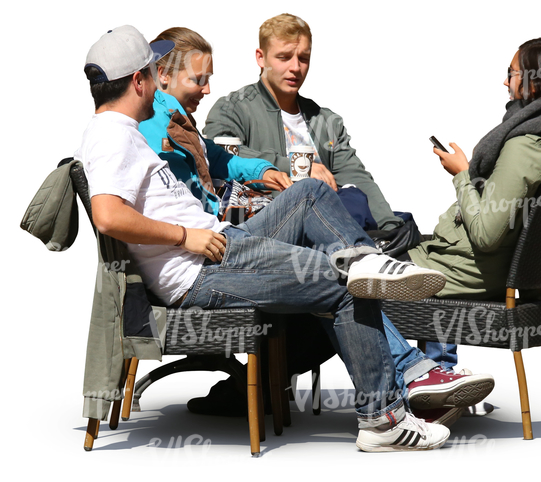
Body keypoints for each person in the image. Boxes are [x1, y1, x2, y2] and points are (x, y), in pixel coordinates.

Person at [76, 24, 456, 452]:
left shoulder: (126, 129)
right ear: (139, 80)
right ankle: (385, 420)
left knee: (308, 194)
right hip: (201, 269)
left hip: (223, 243)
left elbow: (211, 165)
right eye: (153, 71)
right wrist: (187, 236)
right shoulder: (112, 134)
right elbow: (108, 216)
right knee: (347, 285)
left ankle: (364, 257)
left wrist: (250, 181)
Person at [407, 36, 541, 400]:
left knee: (356, 280)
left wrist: (461, 174)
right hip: (495, 270)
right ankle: (440, 377)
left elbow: (485, 235)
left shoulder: (527, 146)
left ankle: (402, 392)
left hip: (468, 273)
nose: (505, 82)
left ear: (535, 82)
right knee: (390, 236)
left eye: (511, 73)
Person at [203, 13, 403, 232]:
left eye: (303, 58)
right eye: (284, 57)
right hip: (266, 231)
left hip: (332, 230)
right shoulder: (232, 109)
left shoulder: (326, 120)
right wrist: (299, 168)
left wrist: (389, 227)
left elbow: (356, 176)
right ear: (261, 58)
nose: (296, 67)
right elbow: (219, 156)